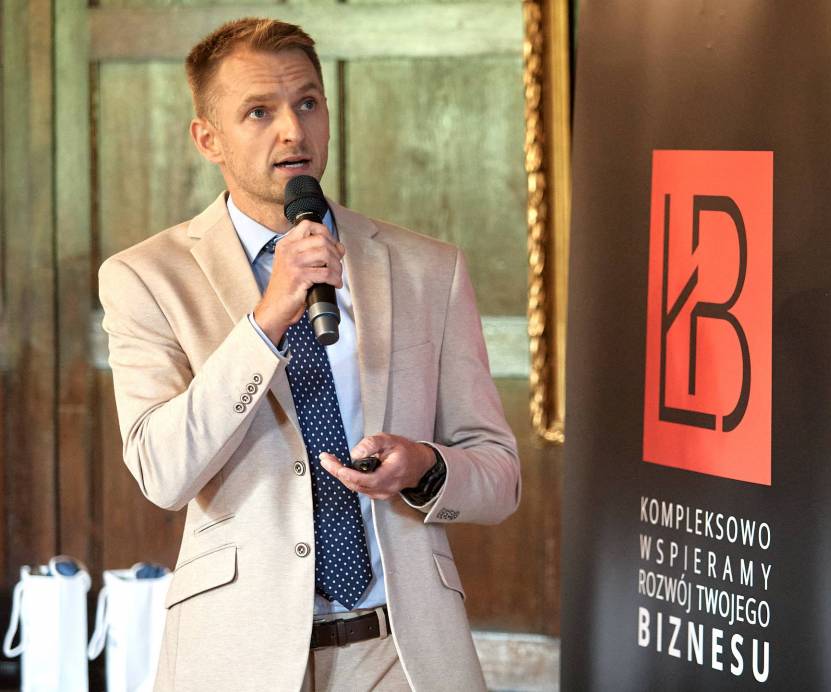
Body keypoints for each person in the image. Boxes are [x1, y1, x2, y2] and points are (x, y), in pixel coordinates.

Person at [98, 17, 520, 692]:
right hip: (237, 657)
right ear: (207, 138)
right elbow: (162, 472)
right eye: (258, 112)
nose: (292, 130)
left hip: (402, 652)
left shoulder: (427, 269)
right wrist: (266, 320)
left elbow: (499, 474)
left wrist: (424, 466)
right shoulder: (146, 277)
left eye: (307, 103)